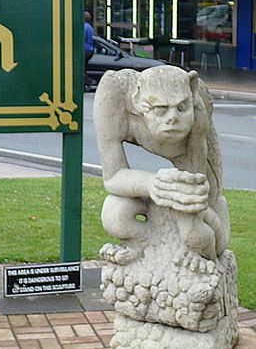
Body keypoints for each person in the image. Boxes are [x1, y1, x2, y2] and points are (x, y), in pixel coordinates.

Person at [94, 66, 230, 272]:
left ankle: (199, 257)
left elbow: (199, 186)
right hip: (150, 183)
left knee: (195, 229)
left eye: (182, 108)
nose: (173, 118)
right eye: (161, 109)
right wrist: (151, 183)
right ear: (138, 99)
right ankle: (145, 243)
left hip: (193, 169)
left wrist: (195, 210)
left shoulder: (198, 105)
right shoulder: (113, 95)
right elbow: (112, 177)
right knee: (114, 214)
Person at [83, 11, 96, 90]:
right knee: (84, 68)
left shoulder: (84, 27)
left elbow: (82, 38)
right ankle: (85, 84)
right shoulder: (90, 27)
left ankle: (89, 81)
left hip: (85, 50)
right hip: (90, 49)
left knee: (79, 69)